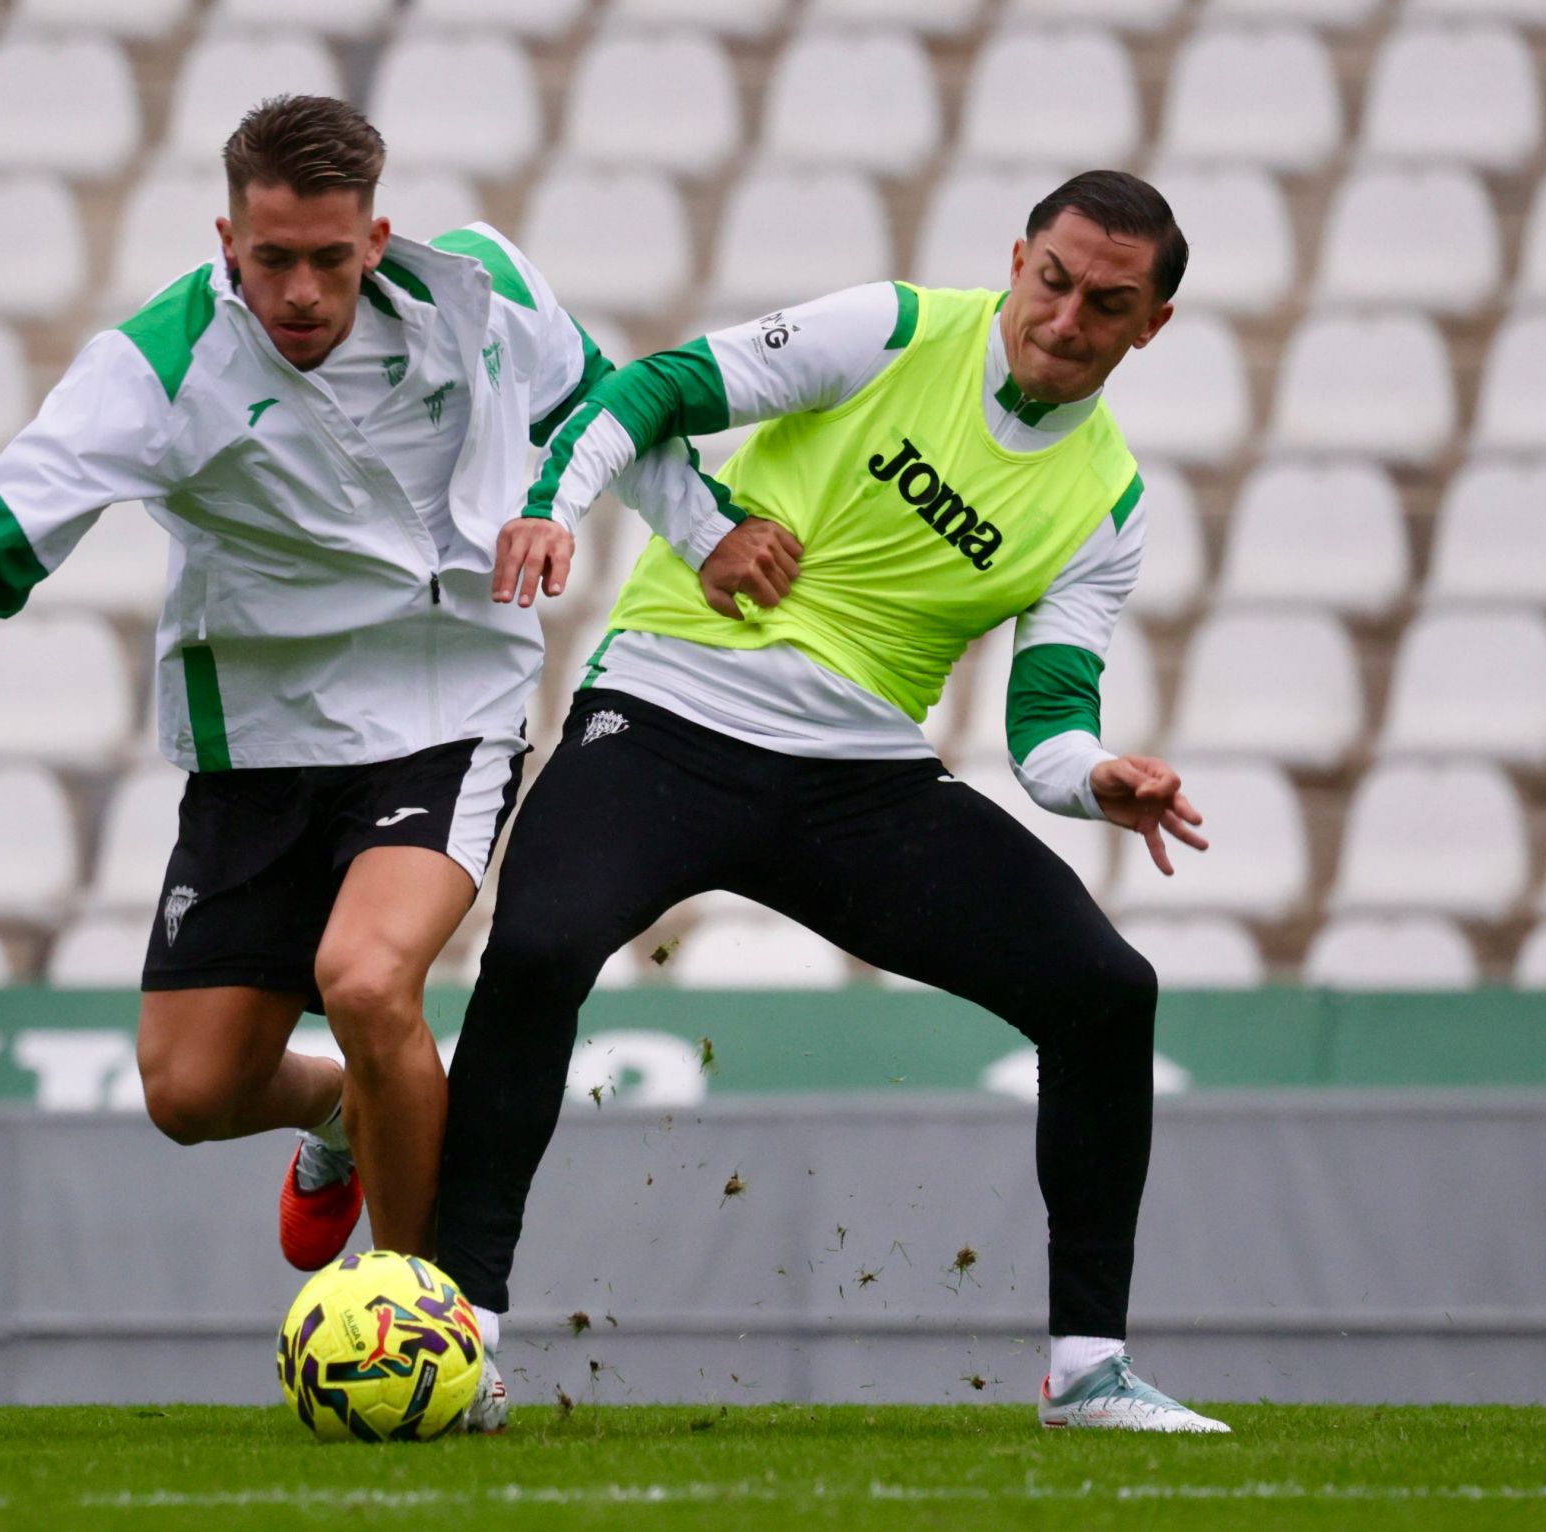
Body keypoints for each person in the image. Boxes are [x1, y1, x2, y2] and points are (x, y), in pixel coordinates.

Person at [0, 96, 729, 1305]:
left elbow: (605, 402)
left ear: (377, 235)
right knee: (190, 1093)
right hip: (257, 738)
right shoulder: (157, 369)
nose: (301, 291)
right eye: (271, 262)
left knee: (369, 981)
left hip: (446, 704)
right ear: (225, 240)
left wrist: (709, 534)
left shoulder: (484, 295)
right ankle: (345, 1112)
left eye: (329, 259)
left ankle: (431, 1324)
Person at [446, 171, 1230, 1433]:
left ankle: (1087, 1371)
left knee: (1106, 990)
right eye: (1055, 279)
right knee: (535, 948)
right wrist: (553, 505)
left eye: (1109, 302)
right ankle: (462, 1331)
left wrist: (1098, 777)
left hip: (860, 779)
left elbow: (1042, 731)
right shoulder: (897, 326)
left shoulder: (1107, 502)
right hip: (664, 711)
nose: (1068, 315)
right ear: (1018, 256)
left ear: (1154, 325)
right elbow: (655, 387)